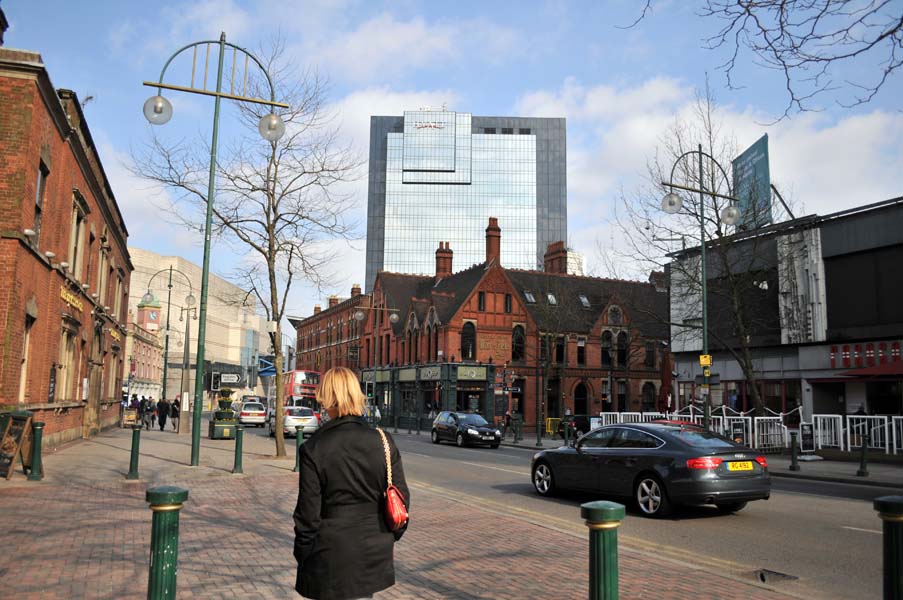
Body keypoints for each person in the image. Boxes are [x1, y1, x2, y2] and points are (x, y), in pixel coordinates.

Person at [294, 367, 409, 600]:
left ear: (326, 397)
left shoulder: (314, 448)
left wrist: (304, 554)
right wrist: (387, 537)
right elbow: (402, 498)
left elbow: (308, 515)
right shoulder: (383, 441)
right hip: (373, 551)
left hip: (330, 553)